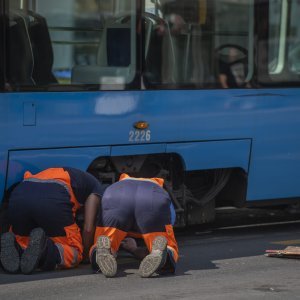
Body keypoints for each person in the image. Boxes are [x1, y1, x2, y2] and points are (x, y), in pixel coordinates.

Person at [0, 167, 105, 274]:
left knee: (24, 240)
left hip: (20, 194)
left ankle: (17, 249)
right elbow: (88, 228)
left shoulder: (64, 172)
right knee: (75, 252)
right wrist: (86, 256)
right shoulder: (96, 188)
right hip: (53, 198)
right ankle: (45, 251)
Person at [89, 173, 179, 278]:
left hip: (115, 195)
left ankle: (105, 251)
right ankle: (165, 255)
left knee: (108, 242)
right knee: (164, 246)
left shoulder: (118, 184)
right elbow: (171, 220)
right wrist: (136, 247)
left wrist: (129, 244)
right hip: (152, 199)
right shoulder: (159, 189)